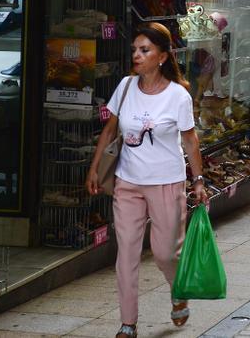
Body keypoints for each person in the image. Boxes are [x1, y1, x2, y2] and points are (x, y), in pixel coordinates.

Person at [86, 23, 207, 338]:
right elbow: (111, 130)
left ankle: (178, 291)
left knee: (166, 253)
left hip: (167, 183)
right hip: (127, 182)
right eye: (135, 50)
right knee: (126, 253)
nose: (136, 56)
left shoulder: (178, 95)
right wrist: (95, 168)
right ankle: (128, 323)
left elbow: (191, 142)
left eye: (145, 50)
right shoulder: (125, 86)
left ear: (163, 56)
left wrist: (199, 180)